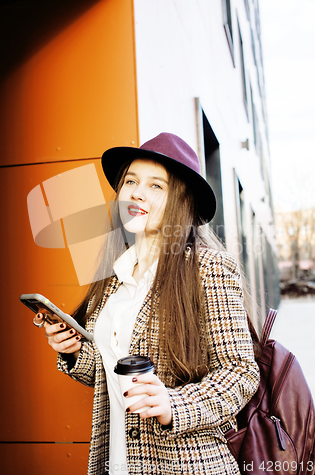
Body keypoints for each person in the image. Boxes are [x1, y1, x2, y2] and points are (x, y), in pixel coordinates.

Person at [43, 132, 260, 475]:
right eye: (131, 181)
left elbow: (241, 374)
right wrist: (72, 351)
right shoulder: (113, 275)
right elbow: (110, 376)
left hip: (187, 464)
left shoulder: (208, 269)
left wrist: (175, 404)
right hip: (116, 462)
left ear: (181, 201)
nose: (136, 192)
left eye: (156, 185)